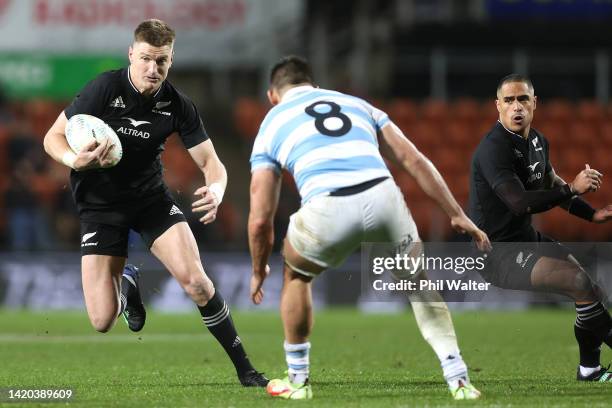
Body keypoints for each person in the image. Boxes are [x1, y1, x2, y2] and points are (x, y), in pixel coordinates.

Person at [247, 55, 492, 400]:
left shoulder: (272, 122)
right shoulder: (357, 104)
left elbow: (260, 218)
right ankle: (459, 378)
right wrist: (455, 212)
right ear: (314, 86)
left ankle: (299, 382)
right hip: (384, 196)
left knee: (297, 276)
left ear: (272, 94)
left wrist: (258, 269)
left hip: (327, 206)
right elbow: (413, 159)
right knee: (419, 287)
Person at [42, 19, 268, 387]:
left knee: (197, 282)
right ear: (131, 54)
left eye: (161, 60)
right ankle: (127, 286)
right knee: (101, 321)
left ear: (171, 60)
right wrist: (73, 160)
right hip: (100, 206)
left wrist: (217, 189)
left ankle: (246, 370)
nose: (153, 68)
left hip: (150, 200)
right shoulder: (104, 88)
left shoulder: (178, 105)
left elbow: (212, 163)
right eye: (146, 58)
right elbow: (52, 137)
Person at [469, 73, 612, 382]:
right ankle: (590, 370)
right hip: (497, 254)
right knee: (577, 280)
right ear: (498, 106)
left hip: (526, 239)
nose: (516, 106)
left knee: (591, 290)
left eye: (523, 99)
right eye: (509, 100)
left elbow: (551, 183)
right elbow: (519, 203)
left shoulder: (538, 141)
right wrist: (573, 188)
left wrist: (592, 215)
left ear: (535, 103)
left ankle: (590, 369)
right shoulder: (493, 149)